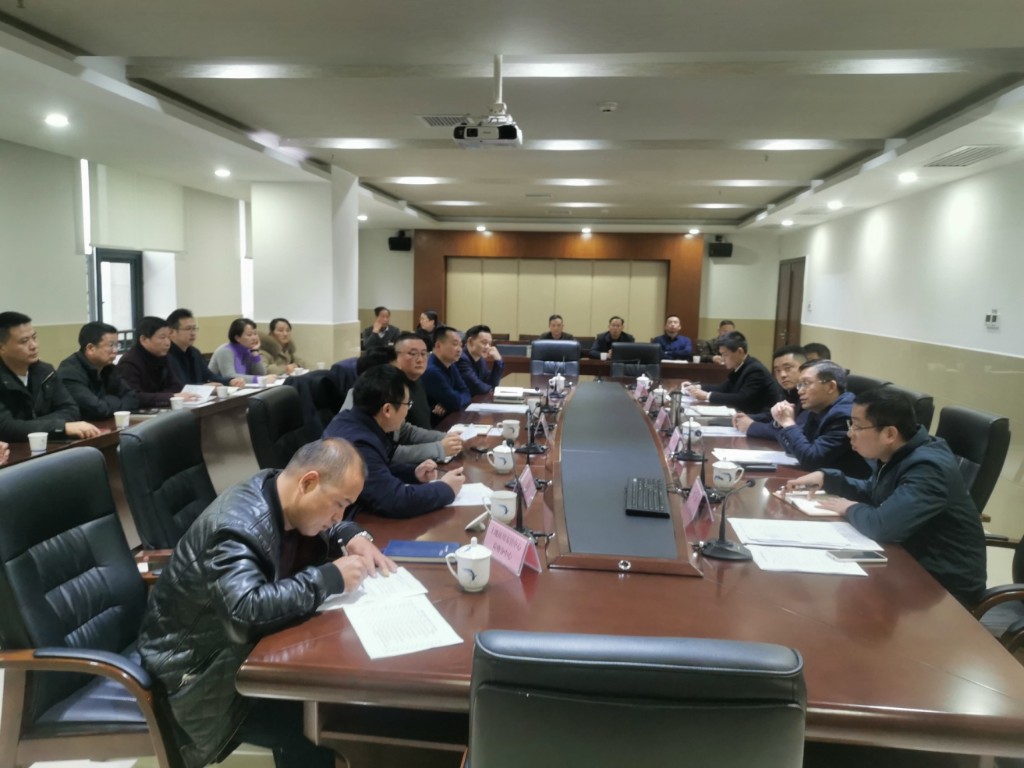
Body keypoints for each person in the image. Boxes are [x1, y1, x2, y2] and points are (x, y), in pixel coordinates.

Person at [137, 438, 396, 768]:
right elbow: (244, 613)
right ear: (308, 483)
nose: (338, 515)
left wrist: (350, 534)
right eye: (339, 504)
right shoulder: (235, 528)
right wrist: (329, 578)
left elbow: (319, 527)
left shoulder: (281, 489)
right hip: (197, 681)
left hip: (239, 656)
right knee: (319, 728)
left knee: (343, 701)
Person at [787, 387, 986, 605]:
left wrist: (849, 507)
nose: (849, 433)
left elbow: (882, 526)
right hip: (905, 564)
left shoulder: (928, 468)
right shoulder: (901, 452)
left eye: (857, 426)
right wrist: (828, 478)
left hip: (943, 590)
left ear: (890, 434)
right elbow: (875, 491)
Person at [322, 365, 465, 518]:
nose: (407, 412)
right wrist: (446, 488)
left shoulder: (354, 420)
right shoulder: (358, 444)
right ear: (387, 410)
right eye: (407, 405)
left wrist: (413, 474)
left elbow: (379, 467)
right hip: (345, 520)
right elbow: (395, 500)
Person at [338, 344, 463, 464]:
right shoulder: (361, 407)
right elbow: (390, 455)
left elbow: (405, 431)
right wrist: (439, 448)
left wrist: (446, 437)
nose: (400, 375)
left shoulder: (392, 393)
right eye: (394, 371)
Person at [0, 311, 100, 441]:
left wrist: (30, 426)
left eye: (34, 337)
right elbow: (5, 427)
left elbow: (71, 410)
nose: (33, 346)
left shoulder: (45, 371)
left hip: (47, 445)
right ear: (2, 347)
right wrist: (59, 426)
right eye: (24, 341)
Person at [762, 359, 869, 477]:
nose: (800, 391)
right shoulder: (818, 408)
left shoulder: (844, 415)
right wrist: (780, 421)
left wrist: (788, 423)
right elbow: (795, 448)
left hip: (845, 484)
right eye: (799, 385)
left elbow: (811, 460)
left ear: (830, 386)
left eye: (806, 383)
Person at [57, 321, 140, 419]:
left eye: (117, 345)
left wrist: (106, 402)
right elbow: (97, 410)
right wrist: (115, 400)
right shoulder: (70, 372)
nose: (115, 351)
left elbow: (132, 398)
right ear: (90, 348)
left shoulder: (108, 367)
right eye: (111, 345)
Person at [684, 331, 780, 414]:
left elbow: (742, 399)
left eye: (725, 354)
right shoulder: (741, 366)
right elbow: (724, 388)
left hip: (762, 419)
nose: (722, 359)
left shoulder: (755, 370)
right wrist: (698, 387)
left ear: (739, 351)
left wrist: (707, 396)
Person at [735, 345, 807, 439]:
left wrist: (751, 426)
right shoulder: (787, 391)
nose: (782, 375)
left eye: (787, 368)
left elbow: (795, 432)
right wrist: (746, 417)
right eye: (777, 370)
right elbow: (773, 416)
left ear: (805, 368)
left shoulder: (809, 395)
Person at [117, 316, 191, 409]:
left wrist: (163, 397)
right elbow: (134, 396)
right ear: (144, 339)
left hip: (162, 408)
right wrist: (170, 396)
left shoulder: (166, 357)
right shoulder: (129, 362)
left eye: (169, 337)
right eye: (162, 337)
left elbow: (176, 386)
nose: (168, 343)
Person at [166, 308, 245, 388]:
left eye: (194, 328)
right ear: (171, 332)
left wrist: (230, 381)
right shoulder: (166, 355)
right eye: (188, 329)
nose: (193, 333)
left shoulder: (194, 352)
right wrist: (203, 387)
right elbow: (178, 386)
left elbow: (209, 376)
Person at [421, 325, 471, 425]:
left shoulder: (450, 364)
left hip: (447, 419)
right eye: (455, 344)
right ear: (438, 345)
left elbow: (466, 392)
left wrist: (447, 403)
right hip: (434, 425)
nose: (459, 349)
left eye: (461, 345)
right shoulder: (431, 370)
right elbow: (455, 402)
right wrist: (451, 402)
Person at [209, 317, 272, 384]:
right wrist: (258, 379)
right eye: (249, 335)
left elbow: (261, 374)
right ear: (237, 338)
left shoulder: (248, 350)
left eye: (255, 334)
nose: (254, 338)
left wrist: (255, 353)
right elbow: (229, 376)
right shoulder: (225, 351)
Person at [456, 324, 504, 395]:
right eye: (484, 343)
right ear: (470, 341)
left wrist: (498, 361)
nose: (487, 347)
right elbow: (477, 387)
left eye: (489, 343)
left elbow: (491, 383)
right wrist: (492, 389)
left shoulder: (480, 359)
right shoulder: (461, 358)